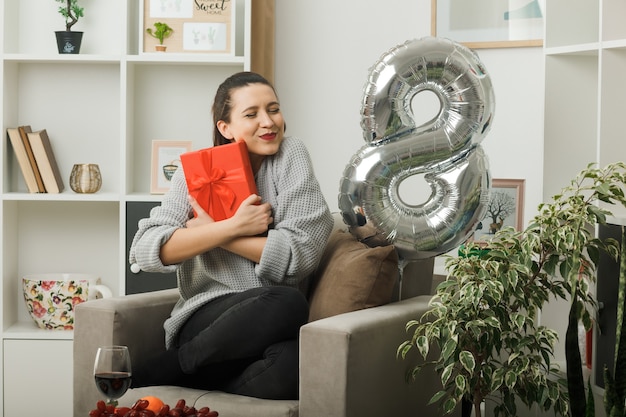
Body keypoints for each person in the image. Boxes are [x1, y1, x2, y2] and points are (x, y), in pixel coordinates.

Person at [129, 71, 334, 400]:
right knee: (287, 301)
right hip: (206, 321)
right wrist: (231, 226)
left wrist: (218, 234)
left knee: (296, 361)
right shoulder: (196, 169)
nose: (268, 122)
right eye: (251, 114)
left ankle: (188, 378)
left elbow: (299, 256)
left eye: (274, 109)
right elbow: (146, 250)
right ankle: (175, 365)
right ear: (225, 128)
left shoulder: (291, 155)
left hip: (265, 330)